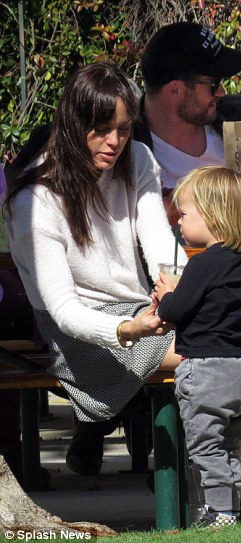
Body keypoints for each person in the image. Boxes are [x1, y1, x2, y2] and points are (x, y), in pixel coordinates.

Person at [135, 22, 241, 454]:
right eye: (212, 83)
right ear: (176, 90)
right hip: (184, 300)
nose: (222, 92)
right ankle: (232, 457)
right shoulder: (130, 148)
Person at [3, 62, 187, 436]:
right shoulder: (35, 201)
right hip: (81, 334)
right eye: (101, 129)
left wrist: (184, 292)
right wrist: (126, 327)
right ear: (72, 125)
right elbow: (65, 311)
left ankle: (223, 463)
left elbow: (161, 248)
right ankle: (203, 475)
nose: (115, 142)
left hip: (142, 312)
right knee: (222, 352)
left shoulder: (137, 160)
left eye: (123, 129)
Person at [155, 165, 241, 527]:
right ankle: (230, 509)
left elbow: (176, 311)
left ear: (211, 215)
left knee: (206, 448)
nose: (179, 221)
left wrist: (167, 295)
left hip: (205, 371)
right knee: (230, 448)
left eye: (184, 214)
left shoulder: (201, 265)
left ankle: (220, 514)